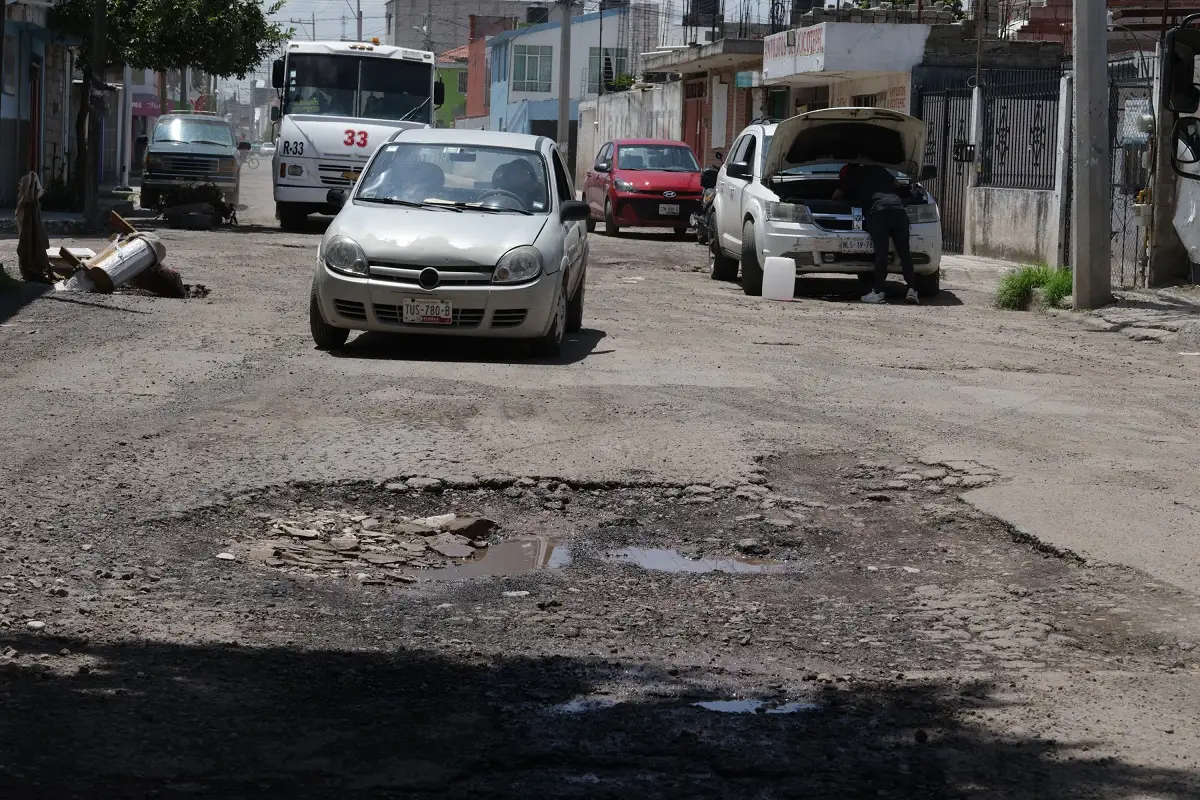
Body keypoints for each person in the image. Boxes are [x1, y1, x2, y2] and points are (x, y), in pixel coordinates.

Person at [834, 162, 919, 305]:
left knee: (882, 254)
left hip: (879, 213)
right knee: (904, 252)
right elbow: (898, 186)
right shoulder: (879, 169)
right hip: (899, 210)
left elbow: (836, 197)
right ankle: (912, 290)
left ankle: (878, 292)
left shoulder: (850, 175)